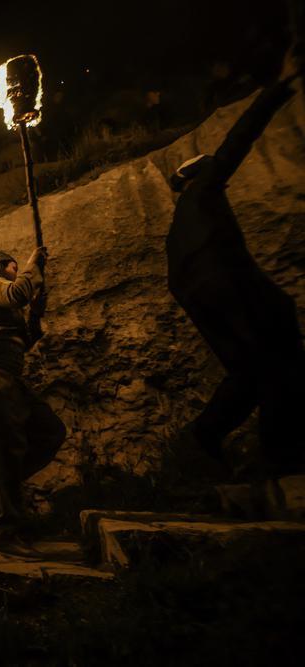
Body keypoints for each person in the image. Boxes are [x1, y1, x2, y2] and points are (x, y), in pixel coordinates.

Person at [167, 47, 304, 479]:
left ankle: (205, 435)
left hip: (195, 293)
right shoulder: (206, 186)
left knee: (247, 372)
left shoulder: (176, 227)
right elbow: (239, 139)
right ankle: (281, 457)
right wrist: (279, 85)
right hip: (224, 276)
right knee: (280, 344)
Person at [0, 248, 65, 558]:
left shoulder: (2, 301)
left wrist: (35, 312)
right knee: (4, 450)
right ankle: (3, 535)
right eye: (14, 267)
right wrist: (34, 266)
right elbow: (18, 292)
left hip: (5, 373)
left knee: (49, 432)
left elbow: (23, 341)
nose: (18, 272)